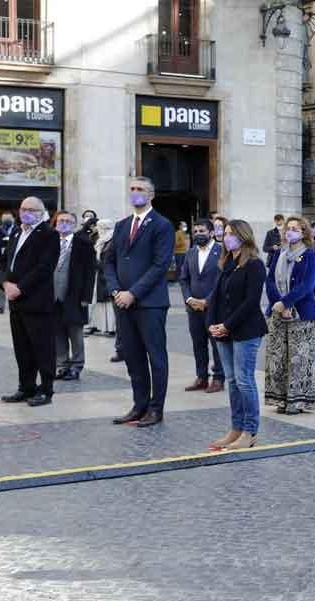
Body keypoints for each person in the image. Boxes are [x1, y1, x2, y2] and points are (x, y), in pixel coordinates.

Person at [103, 177, 174, 427]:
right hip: (123, 303)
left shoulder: (162, 225)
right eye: (132, 189)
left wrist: (133, 292)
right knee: (133, 357)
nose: (135, 193)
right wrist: (115, 290)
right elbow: (109, 260)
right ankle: (139, 405)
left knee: (156, 357)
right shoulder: (122, 225)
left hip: (150, 303)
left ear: (150, 195)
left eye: (140, 189)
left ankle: (156, 409)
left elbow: (160, 265)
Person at [207, 220, 268, 451]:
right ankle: (236, 427)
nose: (227, 237)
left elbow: (251, 302)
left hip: (245, 330)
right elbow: (217, 296)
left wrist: (227, 325)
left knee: (244, 380)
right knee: (232, 381)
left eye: (232, 233)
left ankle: (249, 431)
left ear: (244, 236)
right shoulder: (226, 263)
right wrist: (213, 324)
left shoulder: (254, 265)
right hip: (223, 330)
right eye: (226, 233)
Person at [0, 197, 59, 407]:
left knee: (42, 348)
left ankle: (46, 390)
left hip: (37, 301)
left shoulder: (49, 235)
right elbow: (5, 260)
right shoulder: (16, 231)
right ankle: (26, 387)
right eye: (23, 209)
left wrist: (20, 287)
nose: (26, 212)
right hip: (15, 301)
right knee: (22, 348)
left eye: (31, 209)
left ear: (41, 212)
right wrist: (5, 283)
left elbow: (44, 268)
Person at [264, 216, 315, 415]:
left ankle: (297, 401)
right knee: (277, 357)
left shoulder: (311, 255)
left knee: (298, 358)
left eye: (295, 228)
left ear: (303, 232)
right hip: (277, 311)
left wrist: (287, 302)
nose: (290, 231)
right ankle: (280, 399)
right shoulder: (279, 253)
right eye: (288, 228)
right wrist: (278, 303)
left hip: (301, 312)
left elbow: (307, 285)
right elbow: (269, 280)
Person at [179, 220, 225, 393]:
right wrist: (189, 299)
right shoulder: (190, 252)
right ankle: (201, 377)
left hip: (214, 308)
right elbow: (183, 278)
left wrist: (207, 300)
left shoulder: (221, 251)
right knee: (198, 343)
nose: (199, 234)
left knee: (217, 344)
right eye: (196, 231)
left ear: (212, 232)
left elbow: (222, 279)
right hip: (193, 308)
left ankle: (219, 378)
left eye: (202, 231)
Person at [52, 211, 96, 382]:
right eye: (61, 220)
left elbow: (90, 272)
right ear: (55, 223)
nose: (64, 223)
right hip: (52, 297)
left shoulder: (83, 243)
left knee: (75, 333)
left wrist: (86, 297)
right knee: (57, 332)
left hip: (75, 296)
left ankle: (76, 366)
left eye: (68, 221)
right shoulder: (49, 241)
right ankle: (61, 365)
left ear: (74, 224)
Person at [91, 219, 119, 341]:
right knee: (103, 304)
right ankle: (105, 327)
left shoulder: (111, 240)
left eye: (100, 227)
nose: (98, 230)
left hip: (106, 276)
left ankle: (111, 329)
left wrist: (96, 264)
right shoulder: (103, 240)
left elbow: (107, 260)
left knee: (109, 304)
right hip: (101, 276)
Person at [0, 212, 14, 314]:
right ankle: (0, 306)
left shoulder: (17, 230)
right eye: (5, 219)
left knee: (15, 283)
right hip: (2, 261)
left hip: (14, 261)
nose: (7, 221)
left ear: (12, 219)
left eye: (8, 219)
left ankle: (14, 305)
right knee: (1, 284)